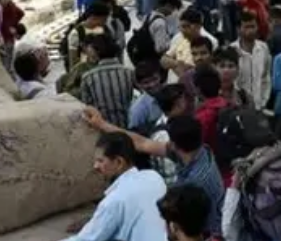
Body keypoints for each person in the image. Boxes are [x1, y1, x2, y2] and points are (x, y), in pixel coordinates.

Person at [83, 110, 223, 237]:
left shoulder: (195, 182)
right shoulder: (197, 150)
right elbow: (142, 143)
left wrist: (102, 220)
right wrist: (102, 124)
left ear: (173, 144)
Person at [61, 131, 167, 241]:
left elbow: (86, 239)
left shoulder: (115, 200)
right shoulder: (155, 177)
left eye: (101, 161)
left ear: (119, 162)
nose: (95, 166)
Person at [78, 35, 135, 128]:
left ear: (96, 52)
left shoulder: (87, 77)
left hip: (102, 129)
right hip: (127, 126)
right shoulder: (129, 73)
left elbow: (86, 108)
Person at [230, 14, 271, 110]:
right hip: (238, 106)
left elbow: (266, 77)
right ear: (239, 29)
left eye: (253, 26)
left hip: (259, 105)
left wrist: (264, 100)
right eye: (246, 27)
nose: (251, 30)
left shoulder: (263, 48)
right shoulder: (232, 49)